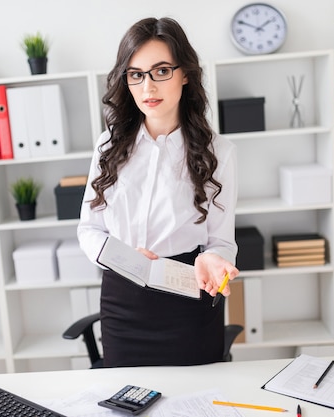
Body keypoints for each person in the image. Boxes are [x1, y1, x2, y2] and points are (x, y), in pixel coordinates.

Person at [77, 17, 239, 367]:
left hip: (187, 298)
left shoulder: (219, 153)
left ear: (185, 75)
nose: (148, 86)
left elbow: (222, 241)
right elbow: (89, 229)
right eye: (136, 74)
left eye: (161, 70)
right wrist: (123, 256)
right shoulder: (108, 147)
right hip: (123, 296)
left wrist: (214, 259)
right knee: (128, 398)